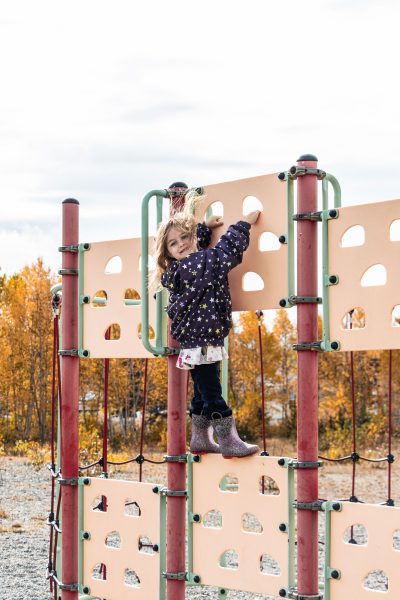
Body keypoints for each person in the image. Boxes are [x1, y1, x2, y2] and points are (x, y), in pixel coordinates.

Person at [154, 192, 261, 458]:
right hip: (202, 341)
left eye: (185, 237)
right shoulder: (197, 266)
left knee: (202, 392)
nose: (181, 245)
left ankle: (201, 437)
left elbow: (195, 250)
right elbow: (225, 254)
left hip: (195, 342)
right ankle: (228, 441)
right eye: (172, 243)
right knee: (212, 392)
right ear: (167, 252)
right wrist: (243, 224)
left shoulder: (184, 268)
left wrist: (203, 229)